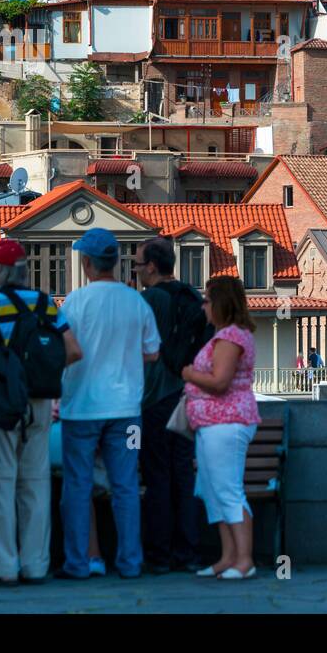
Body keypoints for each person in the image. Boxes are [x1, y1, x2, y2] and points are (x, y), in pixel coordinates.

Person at [57, 228, 160, 580]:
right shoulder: (137, 302)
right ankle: (130, 563)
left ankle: (81, 562)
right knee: (126, 485)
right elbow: (153, 352)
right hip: (127, 410)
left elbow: (64, 351)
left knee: (77, 485)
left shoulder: (74, 302)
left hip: (80, 409)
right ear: (115, 262)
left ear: (86, 263)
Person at [0, 239, 81, 585]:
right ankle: (36, 565)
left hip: (2, 404)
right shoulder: (45, 303)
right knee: (35, 484)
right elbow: (73, 350)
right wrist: (43, 376)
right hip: (39, 402)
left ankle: (4, 566)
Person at [184, 276, 261, 580]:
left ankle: (244, 560)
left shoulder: (230, 337)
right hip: (212, 424)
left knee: (228, 490)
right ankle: (228, 557)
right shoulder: (228, 335)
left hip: (226, 422)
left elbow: (219, 382)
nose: (203, 306)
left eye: (207, 300)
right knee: (214, 492)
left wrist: (188, 373)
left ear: (220, 303)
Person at [134, 237, 203, 575]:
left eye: (137, 264)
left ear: (151, 266)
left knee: (157, 477)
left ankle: (159, 555)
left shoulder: (148, 300)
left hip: (156, 397)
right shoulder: (191, 295)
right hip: (189, 395)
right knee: (183, 475)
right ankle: (188, 552)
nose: (135, 270)